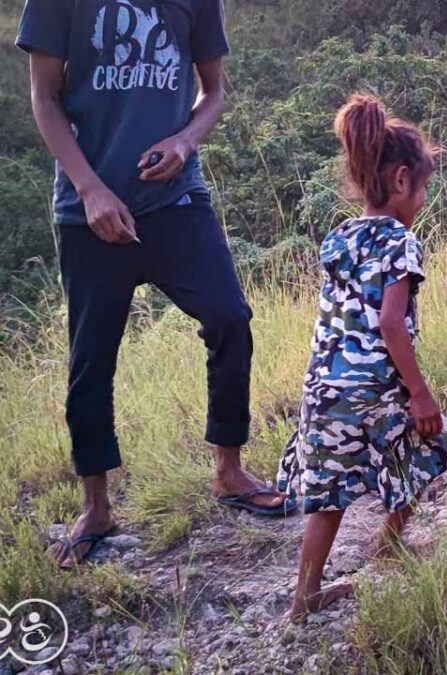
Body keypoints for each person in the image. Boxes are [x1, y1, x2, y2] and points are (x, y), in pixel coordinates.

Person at [16, 0, 292, 568]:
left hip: (174, 199)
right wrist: (90, 189)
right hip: (89, 210)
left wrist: (187, 141)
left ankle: (229, 470)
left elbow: (212, 92)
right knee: (91, 357)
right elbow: (44, 99)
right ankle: (97, 508)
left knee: (229, 316)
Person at [277, 94, 447, 621]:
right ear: (402, 180)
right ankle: (391, 541)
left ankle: (303, 598)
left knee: (329, 495)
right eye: (422, 186)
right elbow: (390, 323)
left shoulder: (337, 239)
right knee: (428, 447)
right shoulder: (400, 241)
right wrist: (420, 394)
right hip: (377, 391)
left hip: (323, 391)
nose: (423, 198)